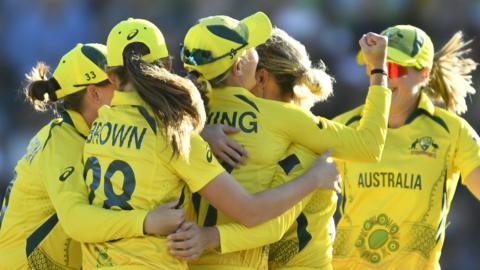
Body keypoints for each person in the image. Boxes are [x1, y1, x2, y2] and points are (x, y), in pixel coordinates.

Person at [80, 17, 339, 269]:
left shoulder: (96, 128)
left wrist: (202, 132)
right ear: (168, 65)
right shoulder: (176, 135)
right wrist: (314, 179)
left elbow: (76, 219)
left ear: (111, 78)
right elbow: (251, 212)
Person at [173, 12, 391, 270]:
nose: (253, 50)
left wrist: (199, 132)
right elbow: (368, 145)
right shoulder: (285, 120)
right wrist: (378, 71)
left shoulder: (179, 118)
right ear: (242, 68)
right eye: (249, 47)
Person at [0, 43, 184, 270]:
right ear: (94, 93)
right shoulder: (61, 142)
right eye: (118, 81)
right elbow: (76, 220)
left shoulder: (94, 134)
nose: (130, 89)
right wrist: (146, 221)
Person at [332, 25, 480, 270]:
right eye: (375, 66)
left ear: (424, 73)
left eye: (392, 67)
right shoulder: (343, 127)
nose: (382, 77)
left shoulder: (452, 132)